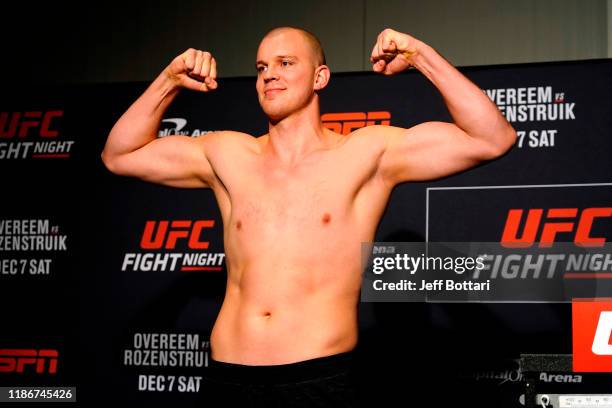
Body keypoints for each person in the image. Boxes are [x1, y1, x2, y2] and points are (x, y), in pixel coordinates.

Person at [101, 26, 516, 407]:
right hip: (228, 379)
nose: (269, 75)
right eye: (262, 66)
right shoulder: (227, 154)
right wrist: (169, 80)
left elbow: (491, 138)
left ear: (320, 78)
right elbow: (120, 155)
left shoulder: (364, 154)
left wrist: (420, 54)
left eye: (285, 63)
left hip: (319, 380)